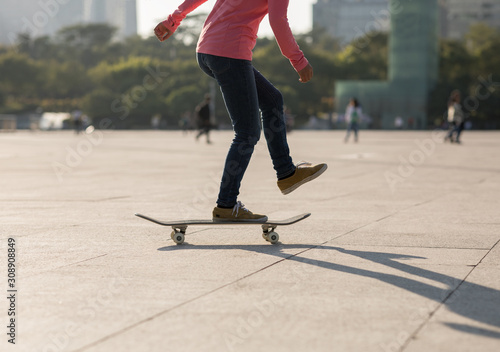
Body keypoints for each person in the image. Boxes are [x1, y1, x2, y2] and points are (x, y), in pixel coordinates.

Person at [155, 0, 327, 222]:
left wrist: (173, 20)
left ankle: (286, 173)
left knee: (273, 99)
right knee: (247, 133)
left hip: (208, 50)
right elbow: (278, 21)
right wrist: (299, 60)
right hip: (229, 53)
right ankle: (226, 205)